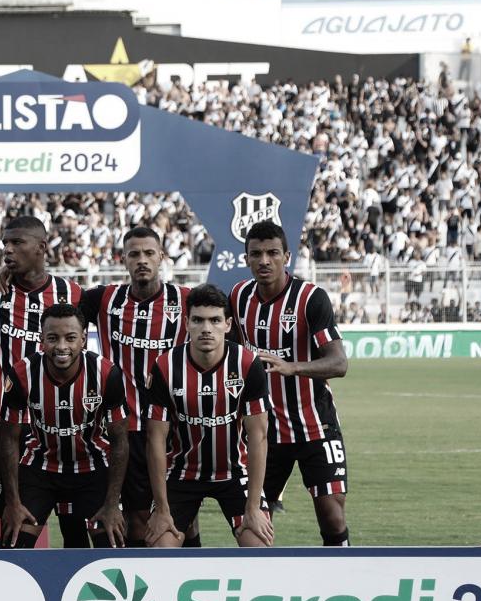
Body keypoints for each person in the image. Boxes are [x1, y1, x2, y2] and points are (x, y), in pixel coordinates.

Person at [229, 220, 352, 546]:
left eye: (272, 253)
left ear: (287, 256)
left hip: (315, 425)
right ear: (247, 259)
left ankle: (345, 581)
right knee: (252, 521)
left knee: (331, 514)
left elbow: (339, 363)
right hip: (263, 431)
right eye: (256, 254)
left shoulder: (311, 298)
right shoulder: (239, 298)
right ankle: (265, 589)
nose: (264, 261)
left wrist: (292, 367)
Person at [0, 215, 82, 543]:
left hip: (65, 424)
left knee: (76, 531)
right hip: (10, 426)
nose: (7, 251)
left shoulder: (70, 293)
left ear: (42, 247)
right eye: (5, 245)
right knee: (14, 531)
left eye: (16, 243)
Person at [79, 226, 189, 547]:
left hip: (167, 430)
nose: (142, 260)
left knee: (166, 523)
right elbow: (61, 318)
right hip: (117, 429)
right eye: (134, 254)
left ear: (161, 257)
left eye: (149, 253)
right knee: (119, 522)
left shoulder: (185, 300)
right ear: (123, 260)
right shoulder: (103, 299)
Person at [144, 285, 274, 548]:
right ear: (186, 323)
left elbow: (258, 437)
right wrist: (161, 509)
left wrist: (253, 508)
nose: (206, 328)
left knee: (258, 546)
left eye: (215, 320)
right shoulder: (165, 366)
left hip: (235, 472)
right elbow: (155, 440)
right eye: (198, 320)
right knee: (160, 548)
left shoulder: (248, 364)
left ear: (227, 325)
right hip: (181, 473)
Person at [0, 303, 129, 549]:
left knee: (113, 546)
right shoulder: (21, 374)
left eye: (70, 338)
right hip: (40, 467)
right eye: (52, 338)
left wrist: (112, 504)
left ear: (83, 339)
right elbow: (8, 439)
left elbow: (120, 442)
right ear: (41, 340)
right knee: (12, 545)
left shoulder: (106, 374)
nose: (61, 347)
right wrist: (13, 503)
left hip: (92, 467)